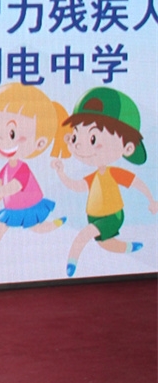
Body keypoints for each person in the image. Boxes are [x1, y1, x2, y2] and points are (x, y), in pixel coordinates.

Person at [50, 86, 157, 277]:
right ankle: (130, 247)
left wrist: (151, 200)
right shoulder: (94, 176)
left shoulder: (114, 173)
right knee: (106, 245)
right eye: (75, 136)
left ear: (128, 148)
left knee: (83, 235)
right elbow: (77, 186)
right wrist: (61, 173)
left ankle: (70, 266)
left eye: (92, 138)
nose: (78, 145)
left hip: (112, 216)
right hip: (93, 215)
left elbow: (136, 182)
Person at [0, 82, 67, 277]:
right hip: (11, 209)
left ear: (40, 142)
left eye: (12, 133)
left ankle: (55, 224)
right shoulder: (6, 168)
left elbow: (9, 189)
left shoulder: (23, 169)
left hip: (28, 207)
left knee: (39, 228)